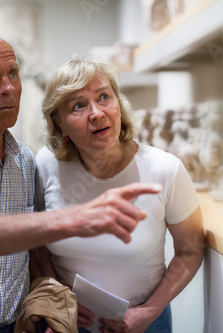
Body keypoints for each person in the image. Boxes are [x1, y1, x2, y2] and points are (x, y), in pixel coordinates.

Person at [0, 29, 161, 333]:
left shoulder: (23, 159)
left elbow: (31, 249)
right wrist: (79, 217)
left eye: (13, 74)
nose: (8, 88)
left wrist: (47, 303)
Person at [35, 57, 206, 333]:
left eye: (104, 97)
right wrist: (57, 299)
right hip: (69, 324)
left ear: (119, 104)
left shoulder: (165, 169)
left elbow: (191, 249)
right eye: (78, 105)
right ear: (59, 123)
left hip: (144, 323)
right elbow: (36, 243)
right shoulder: (46, 165)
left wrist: (148, 312)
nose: (96, 113)